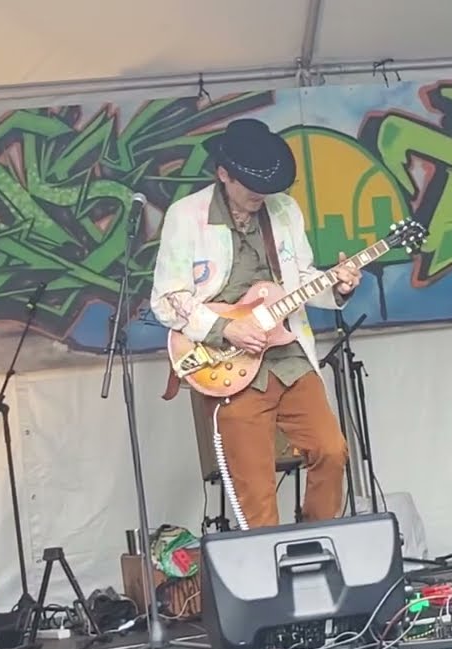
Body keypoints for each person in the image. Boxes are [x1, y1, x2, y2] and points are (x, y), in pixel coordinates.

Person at [150, 118, 362, 528]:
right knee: (256, 490)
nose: (261, 194)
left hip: (287, 354)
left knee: (332, 450)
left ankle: (316, 540)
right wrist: (224, 328)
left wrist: (339, 287)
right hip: (229, 361)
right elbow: (167, 299)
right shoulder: (187, 215)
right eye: (250, 184)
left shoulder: (283, 209)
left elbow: (299, 278)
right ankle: (271, 576)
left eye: (268, 186)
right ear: (223, 174)